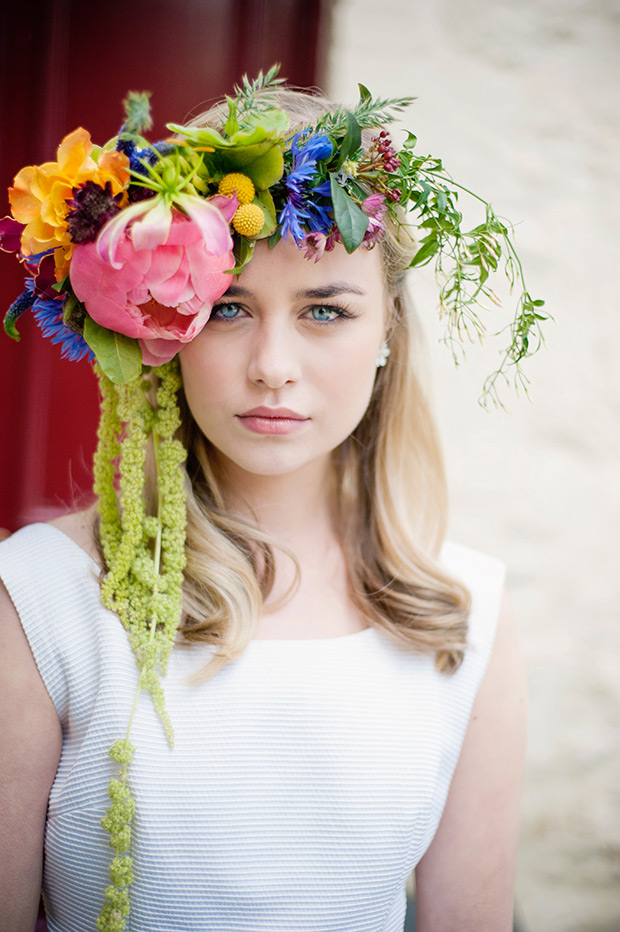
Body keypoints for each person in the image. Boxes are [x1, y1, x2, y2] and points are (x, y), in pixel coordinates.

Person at [0, 71, 533, 932]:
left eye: (324, 310)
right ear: (163, 324)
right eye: (228, 310)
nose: (273, 365)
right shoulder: (40, 600)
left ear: (388, 329)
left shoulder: (466, 613)